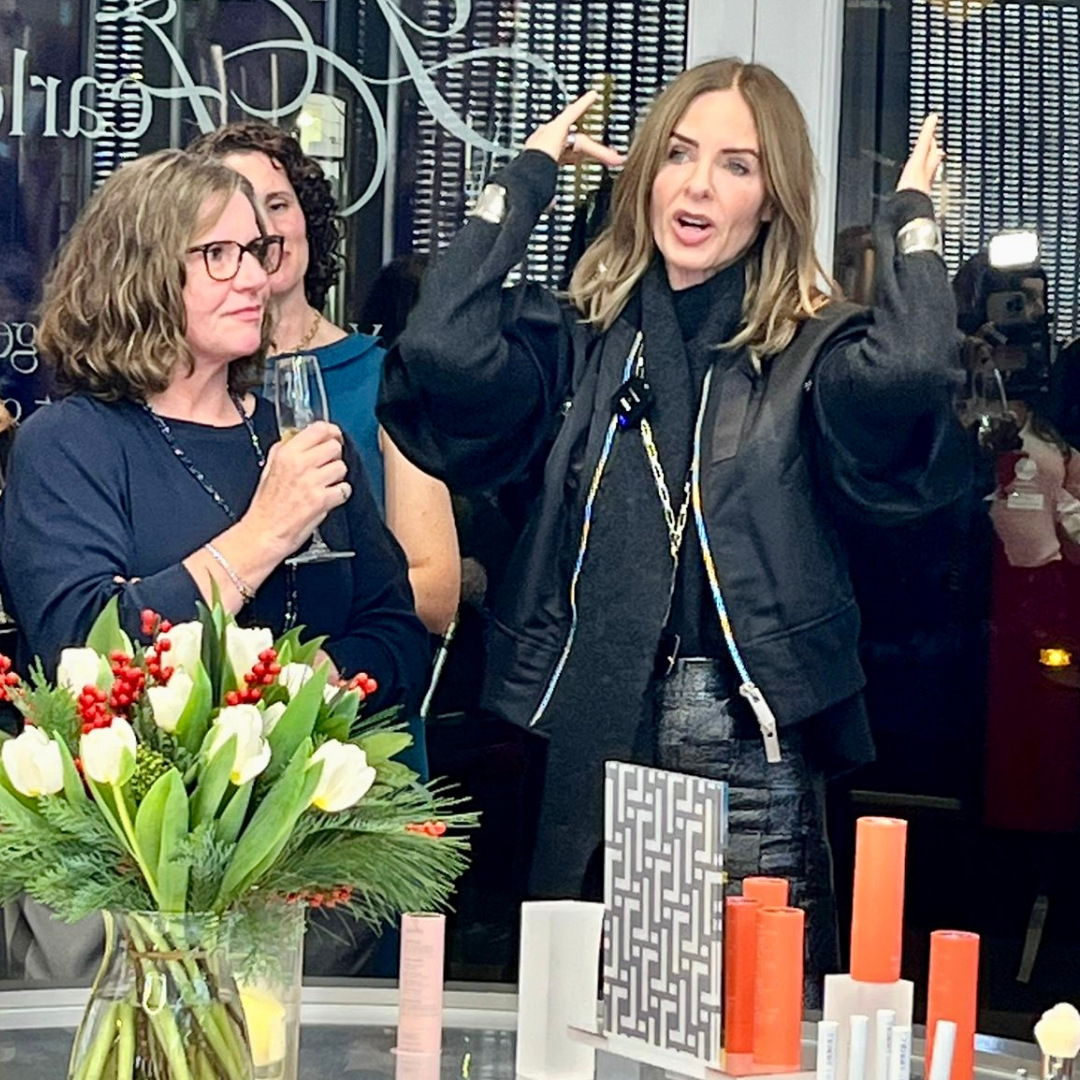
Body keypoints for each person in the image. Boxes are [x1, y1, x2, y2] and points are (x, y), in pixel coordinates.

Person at [379, 58, 965, 991]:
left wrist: (912, 225)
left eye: (736, 165)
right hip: (595, 720)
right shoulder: (578, 340)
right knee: (586, 1024)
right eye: (679, 155)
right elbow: (441, 343)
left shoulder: (811, 349)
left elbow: (913, 370)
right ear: (643, 173)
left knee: (752, 1027)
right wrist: (524, 179)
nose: (697, 186)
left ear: (772, 200)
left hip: (742, 730)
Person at [0, 149, 429, 980]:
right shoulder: (72, 442)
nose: (255, 280)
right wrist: (263, 532)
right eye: (217, 256)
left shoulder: (294, 437)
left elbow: (396, 625)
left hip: (305, 881)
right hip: (121, 884)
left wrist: (305, 700)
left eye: (259, 253)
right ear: (142, 271)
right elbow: (83, 651)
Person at [187, 122, 459, 636]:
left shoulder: (388, 377)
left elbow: (437, 591)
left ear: (307, 217)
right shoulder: (187, 388)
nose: (264, 230)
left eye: (278, 204)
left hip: (359, 695)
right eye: (239, 211)